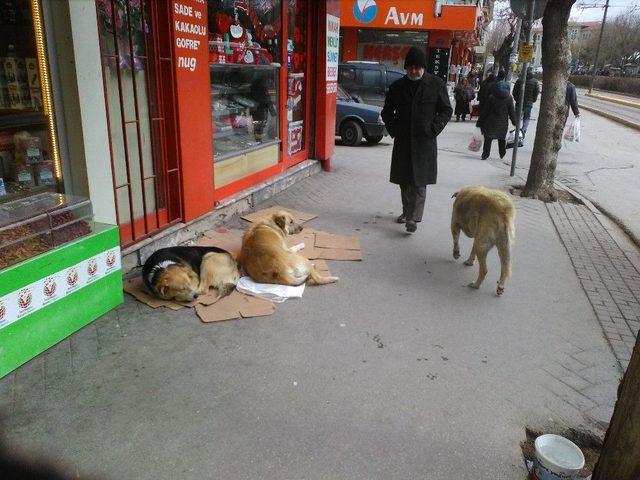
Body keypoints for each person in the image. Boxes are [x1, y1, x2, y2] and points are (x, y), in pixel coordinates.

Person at [381, 46, 453, 233]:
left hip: (425, 142)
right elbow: (387, 112)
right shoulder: (397, 87)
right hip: (403, 142)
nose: (414, 71)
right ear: (406, 68)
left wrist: (433, 128)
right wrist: (394, 130)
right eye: (410, 67)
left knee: (419, 181)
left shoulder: (436, 84)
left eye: (418, 67)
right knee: (405, 181)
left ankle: (413, 218)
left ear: (424, 67)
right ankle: (407, 212)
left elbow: (446, 110)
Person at [477, 80, 516, 160]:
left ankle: (485, 154)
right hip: (502, 122)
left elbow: (485, 111)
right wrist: (514, 122)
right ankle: (502, 153)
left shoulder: (492, 97)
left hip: (490, 121)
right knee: (501, 138)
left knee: (488, 138)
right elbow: (511, 112)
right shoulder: (509, 98)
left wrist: (479, 122)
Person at [512, 67, 540, 136]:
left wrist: (517, 99)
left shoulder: (519, 80)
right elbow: (536, 92)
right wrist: (533, 100)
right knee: (526, 117)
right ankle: (523, 130)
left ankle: (517, 130)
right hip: (529, 103)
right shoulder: (535, 82)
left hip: (519, 102)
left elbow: (514, 92)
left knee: (518, 117)